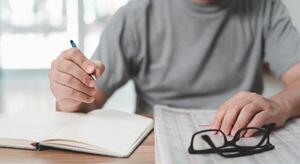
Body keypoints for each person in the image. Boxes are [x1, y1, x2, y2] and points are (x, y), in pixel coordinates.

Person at [49, 0, 300, 137]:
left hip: (242, 142)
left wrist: (280, 105)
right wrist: (70, 94)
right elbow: (89, 102)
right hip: (153, 151)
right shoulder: (135, 15)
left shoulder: (266, 7)